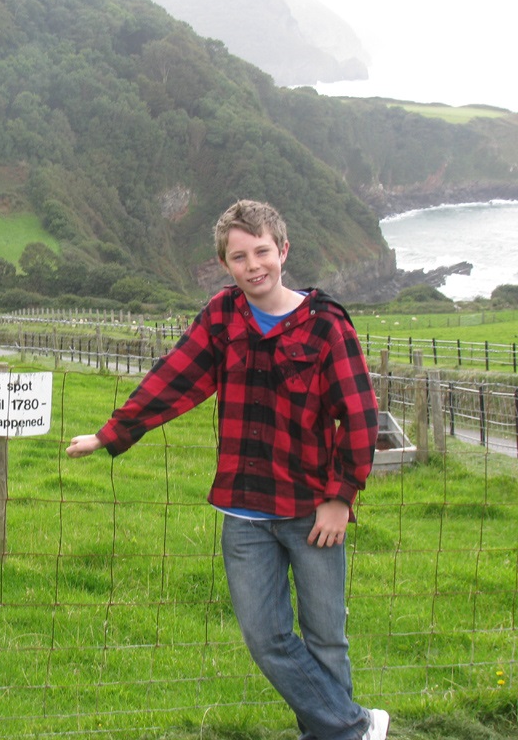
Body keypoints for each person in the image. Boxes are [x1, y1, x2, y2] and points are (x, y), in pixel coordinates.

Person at [66, 200, 390, 740]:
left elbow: (358, 415)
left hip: (312, 508)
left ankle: (332, 734)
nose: (253, 265)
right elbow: (176, 377)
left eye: (262, 251)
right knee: (266, 638)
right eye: (239, 257)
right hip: (243, 511)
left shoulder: (326, 325)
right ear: (226, 264)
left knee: (326, 638)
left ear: (283, 251)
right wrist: (110, 433)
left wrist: (342, 497)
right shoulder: (223, 316)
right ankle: (353, 728)